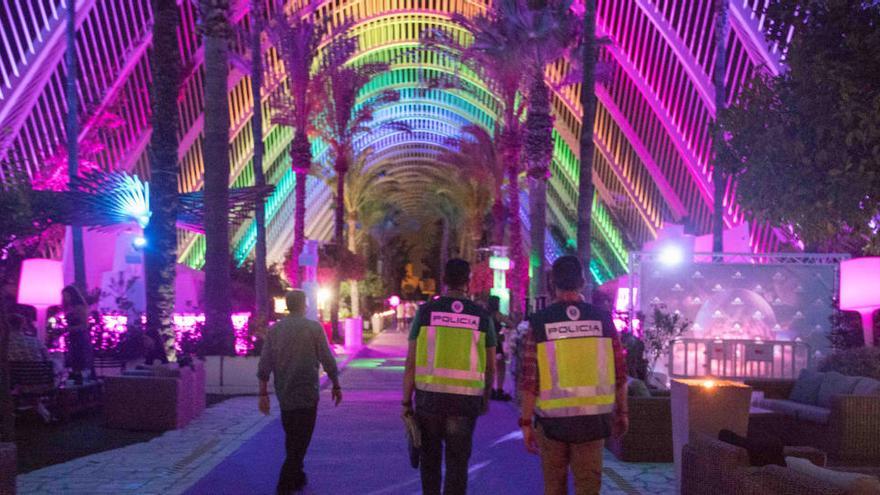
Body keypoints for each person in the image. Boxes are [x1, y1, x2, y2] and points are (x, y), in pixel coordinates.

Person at [518, 256, 628, 495]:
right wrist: (622, 412)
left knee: (554, 488)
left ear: (552, 283)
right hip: (593, 422)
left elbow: (530, 381)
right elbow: (620, 374)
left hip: (551, 424)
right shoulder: (603, 320)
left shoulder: (539, 323)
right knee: (588, 488)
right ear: (582, 282)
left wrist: (526, 423)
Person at [402, 258, 496, 495]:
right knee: (457, 464)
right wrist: (485, 398)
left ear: (444, 280)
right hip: (465, 402)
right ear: (469, 281)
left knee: (430, 461)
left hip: (429, 400)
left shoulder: (425, 313)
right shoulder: (482, 317)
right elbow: (491, 366)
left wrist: (406, 401)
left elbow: (411, 361)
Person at [257, 290, 342, 495]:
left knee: (292, 436)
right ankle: (285, 484)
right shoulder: (313, 328)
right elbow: (327, 358)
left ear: (287, 305)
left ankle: (298, 476)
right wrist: (336, 384)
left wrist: (263, 393)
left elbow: (265, 363)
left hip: (284, 393)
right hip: (307, 392)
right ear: (304, 305)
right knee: (301, 439)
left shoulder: (275, 330)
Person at [6, 314, 55, 422]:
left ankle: (10, 414)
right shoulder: (35, 341)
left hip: (16, 385)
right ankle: (42, 411)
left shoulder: (4, 343)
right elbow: (48, 359)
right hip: (40, 383)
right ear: (23, 325)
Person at [62, 285, 92, 384]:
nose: (65, 298)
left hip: (80, 338)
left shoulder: (79, 308)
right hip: (73, 338)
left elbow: (85, 325)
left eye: (66, 296)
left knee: (80, 361)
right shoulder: (69, 308)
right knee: (74, 362)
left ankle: (81, 384)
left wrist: (69, 329)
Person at [487, 295, 514, 401]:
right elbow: (511, 324)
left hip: (486, 342)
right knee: (500, 366)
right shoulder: (498, 315)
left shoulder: (486, 314)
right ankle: (499, 389)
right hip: (496, 343)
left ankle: (489, 389)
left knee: (489, 367)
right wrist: (503, 327)